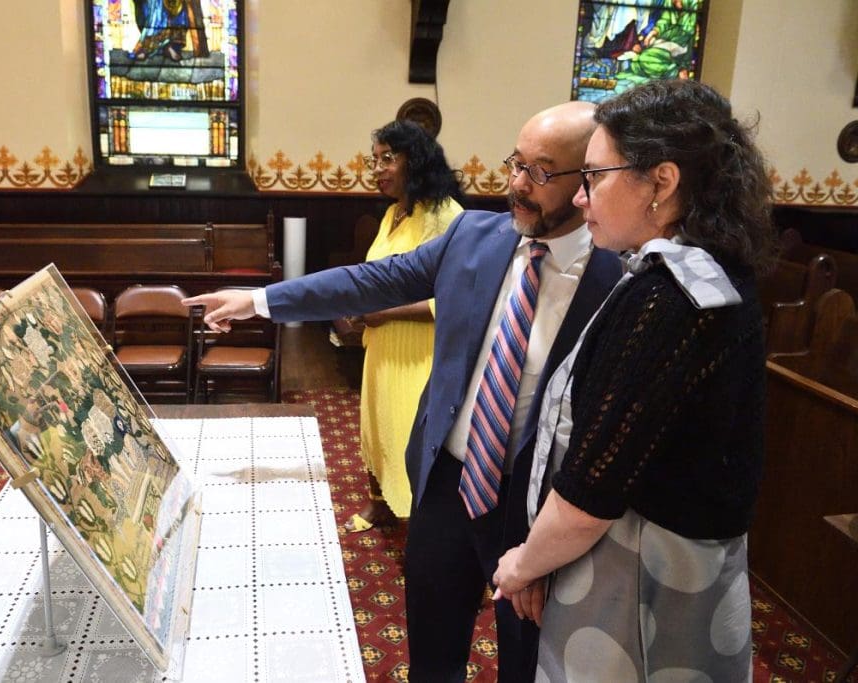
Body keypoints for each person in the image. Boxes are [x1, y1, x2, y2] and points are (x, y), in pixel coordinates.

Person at [184, 101, 623, 681]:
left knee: (527, 659)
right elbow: (370, 281)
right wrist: (261, 300)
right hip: (445, 482)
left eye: (540, 173)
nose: (516, 184)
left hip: (536, 509)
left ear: (587, 180)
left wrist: (553, 544)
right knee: (432, 654)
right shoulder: (473, 235)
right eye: (515, 163)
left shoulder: (618, 282)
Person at [493, 79, 777, 681]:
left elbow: (591, 493)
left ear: (663, 181)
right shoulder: (710, 272)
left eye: (594, 176)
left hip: (640, 579)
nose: (580, 198)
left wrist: (522, 563)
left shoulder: (669, 298)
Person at [341, 119, 464, 533]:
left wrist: (385, 313)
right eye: (373, 160)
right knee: (376, 424)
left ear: (416, 161)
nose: (376, 169)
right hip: (381, 347)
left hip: (419, 350)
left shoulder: (446, 216)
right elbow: (378, 275)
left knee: (409, 434)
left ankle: (423, 525)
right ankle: (379, 504)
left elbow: (452, 298)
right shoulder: (393, 213)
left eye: (387, 159)